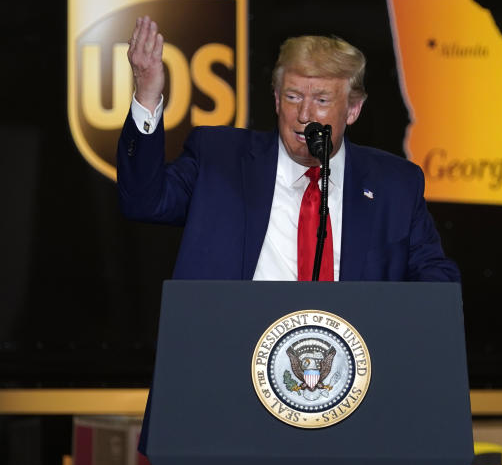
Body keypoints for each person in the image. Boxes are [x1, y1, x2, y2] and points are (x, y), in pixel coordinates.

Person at [117, 16, 459, 283]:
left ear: (353, 110)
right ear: (277, 100)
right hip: (232, 355)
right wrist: (147, 95)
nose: (305, 114)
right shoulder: (219, 158)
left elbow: (435, 279)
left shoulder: (395, 185)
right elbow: (143, 201)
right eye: (293, 97)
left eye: (322, 100)